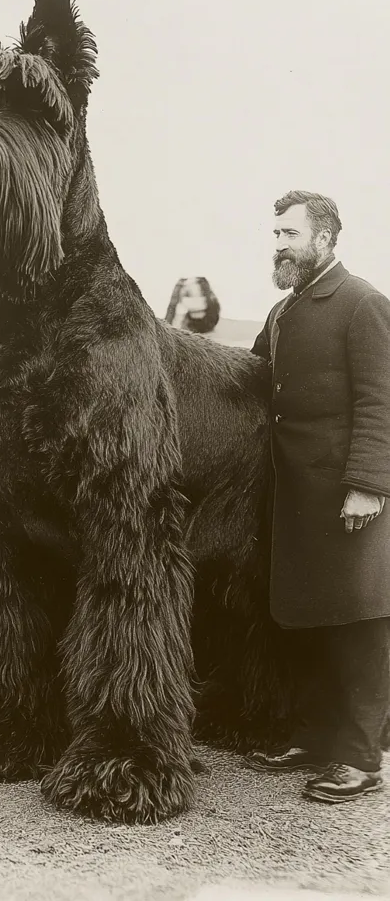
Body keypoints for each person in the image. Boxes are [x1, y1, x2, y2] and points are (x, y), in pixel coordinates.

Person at [247, 189, 390, 803]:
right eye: (276, 234)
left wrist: (366, 486)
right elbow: (249, 374)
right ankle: (312, 736)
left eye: (291, 235)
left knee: (358, 624)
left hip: (349, 499)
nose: (279, 244)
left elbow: (381, 401)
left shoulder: (362, 303)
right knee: (304, 617)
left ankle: (359, 758)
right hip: (296, 497)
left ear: (326, 238)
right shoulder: (283, 313)